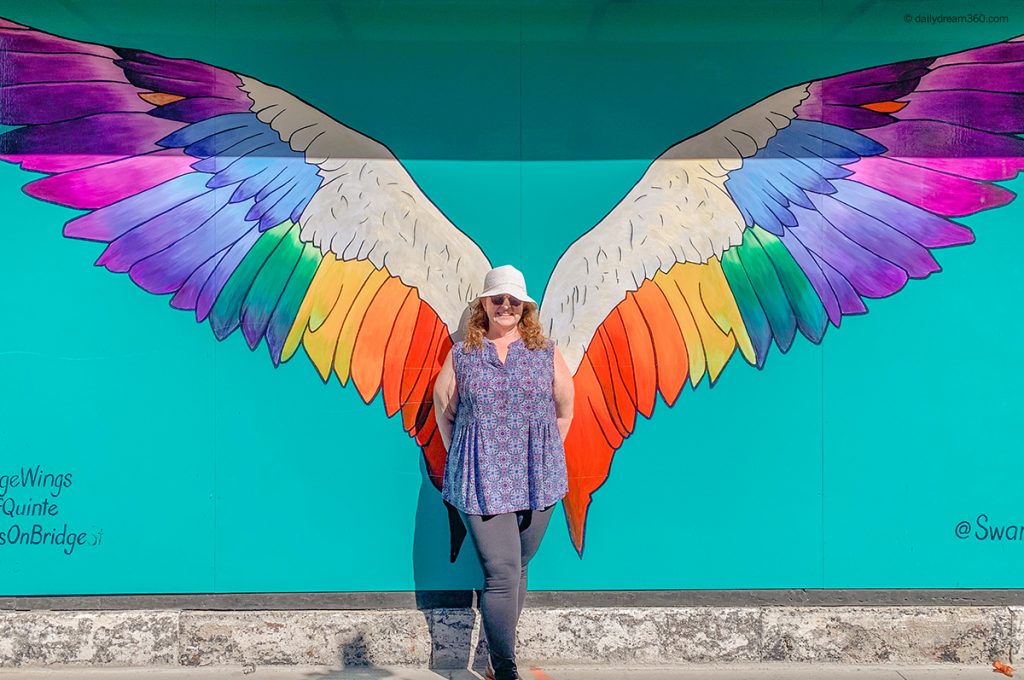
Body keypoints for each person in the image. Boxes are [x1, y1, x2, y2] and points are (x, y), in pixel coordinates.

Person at [433, 264, 574, 680]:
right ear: (485, 305)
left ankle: (498, 654)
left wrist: (544, 454)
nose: (506, 306)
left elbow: (564, 411)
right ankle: (504, 666)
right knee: (502, 572)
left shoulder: (545, 351)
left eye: (514, 300)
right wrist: (467, 454)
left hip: (537, 475)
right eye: (498, 299)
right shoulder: (462, 353)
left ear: (525, 308)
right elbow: (445, 411)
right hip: (482, 477)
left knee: (519, 566)